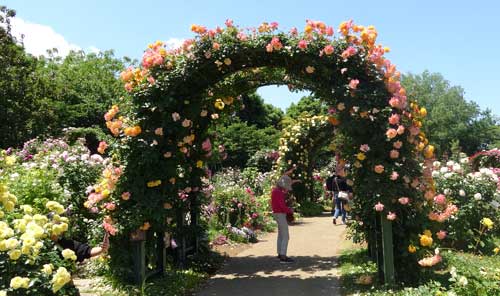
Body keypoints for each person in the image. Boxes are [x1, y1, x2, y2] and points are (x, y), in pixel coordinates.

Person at [271, 174, 295, 263]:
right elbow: (282, 206)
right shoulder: (279, 192)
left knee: (281, 234)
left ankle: (279, 253)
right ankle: (283, 255)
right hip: (280, 214)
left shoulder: (275, 191)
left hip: (276, 213)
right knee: (286, 235)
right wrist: (290, 211)